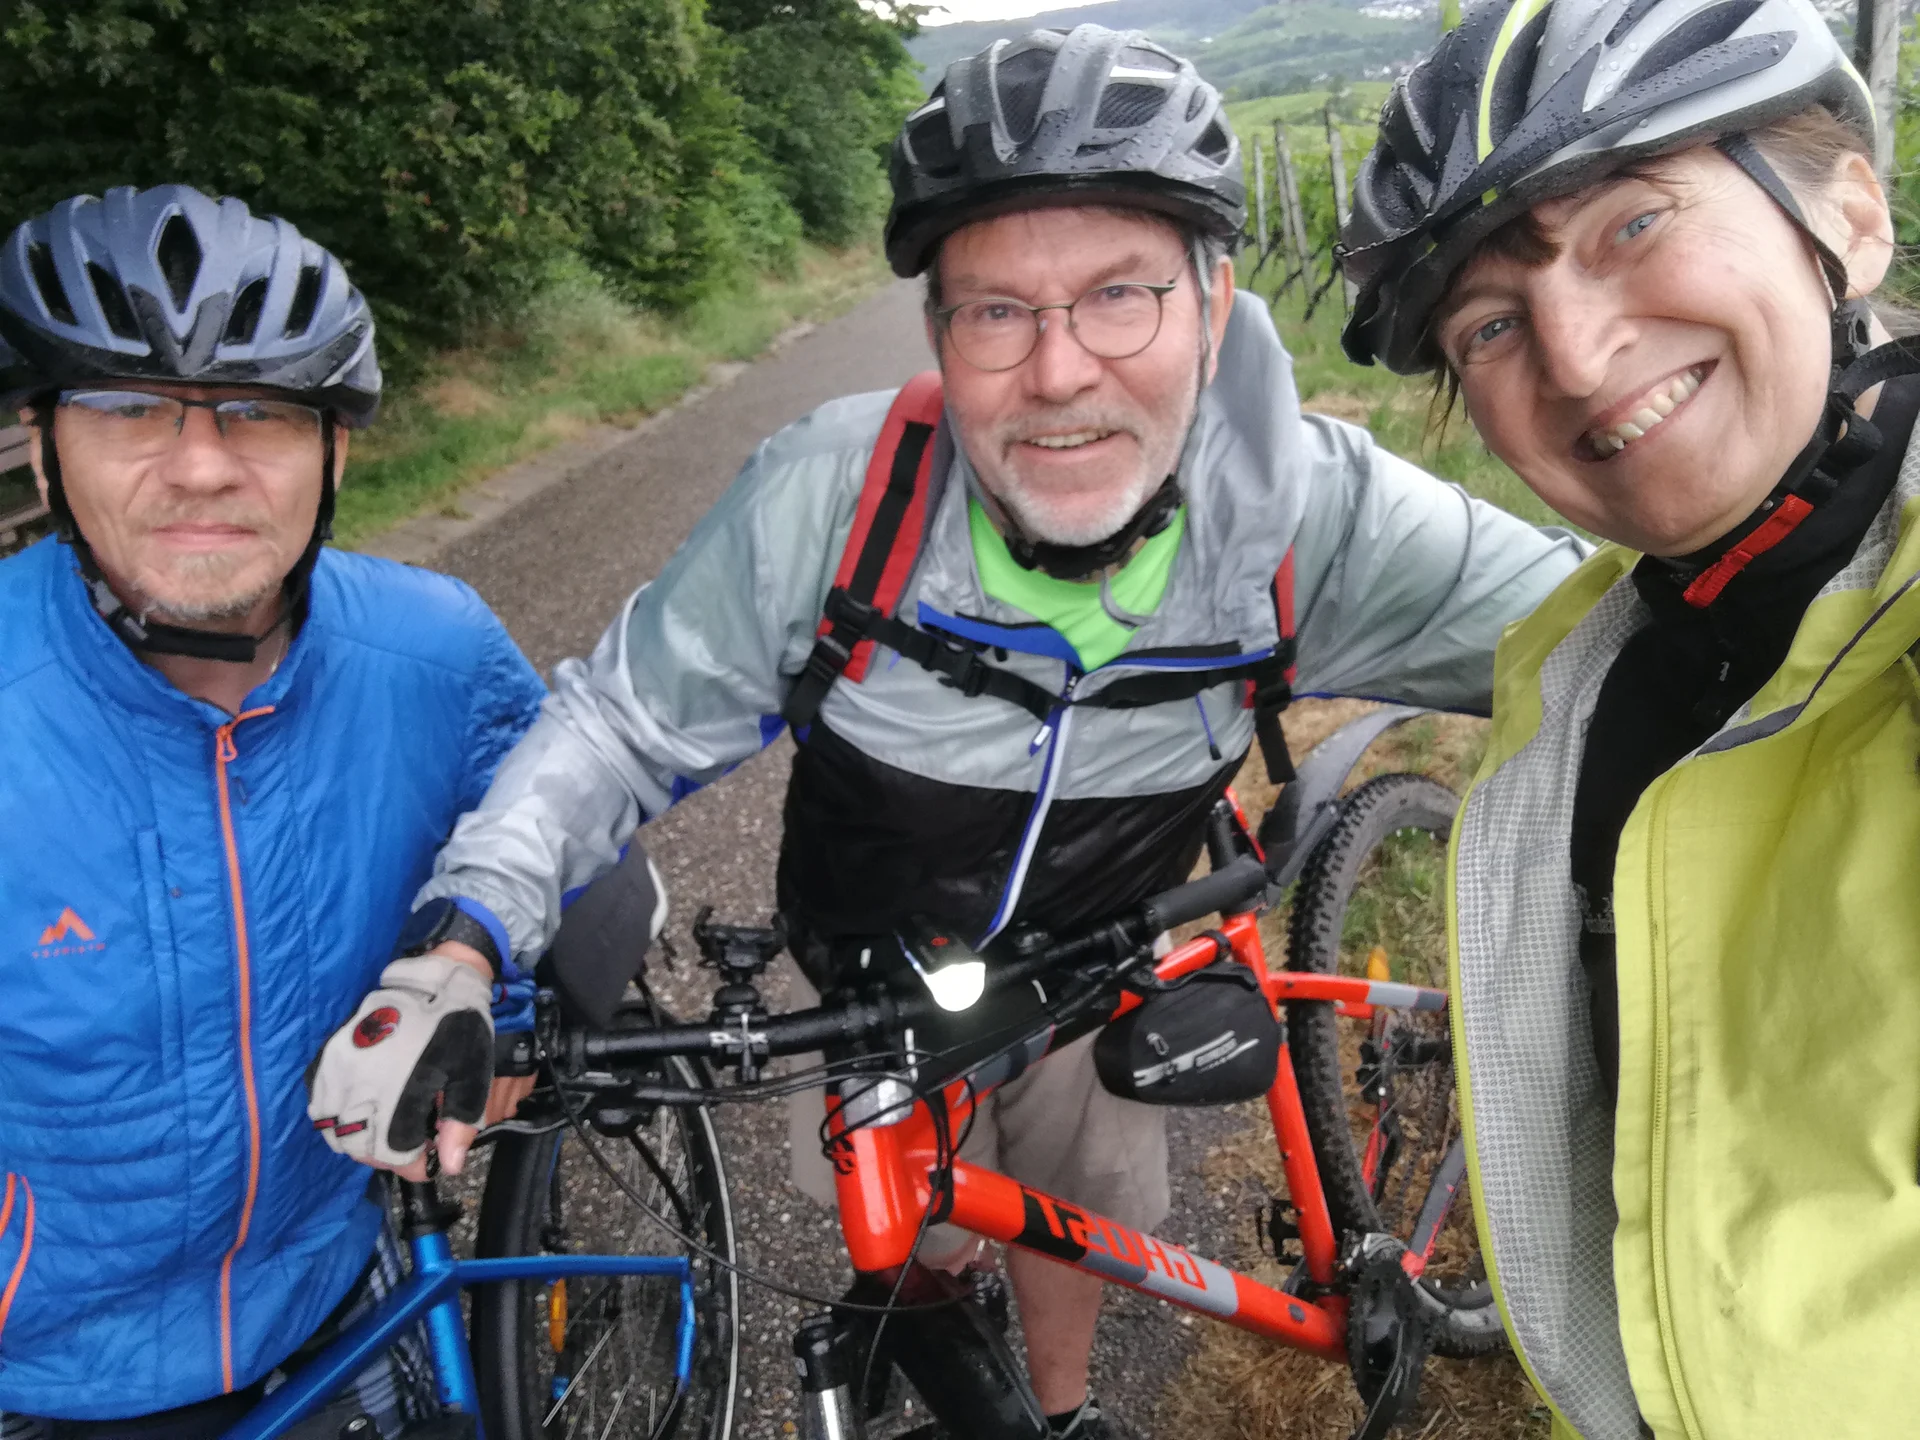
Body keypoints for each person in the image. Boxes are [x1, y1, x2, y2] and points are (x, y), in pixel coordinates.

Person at [413, 24, 1586, 1438]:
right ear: (940, 337)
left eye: (1120, 297)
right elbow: (616, 724)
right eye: (996, 314)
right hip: (871, 958)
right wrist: (468, 934)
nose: (1059, 373)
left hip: (1108, 950)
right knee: (898, 1221)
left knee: (1074, 1201)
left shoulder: (1317, 512)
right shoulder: (832, 500)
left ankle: (1063, 1401)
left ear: (1215, 307)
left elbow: (1619, 632)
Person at [1340, 0, 1920, 1434]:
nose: (1581, 360)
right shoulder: (1595, 672)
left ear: (1850, 214)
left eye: (1631, 226)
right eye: (1491, 319)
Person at [0, 186, 546, 1437]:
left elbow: (543, 831)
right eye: (128, 408)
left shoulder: (439, 650)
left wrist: (497, 1016)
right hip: (42, 1383)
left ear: (336, 453)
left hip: (337, 1314)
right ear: (43, 449)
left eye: (258, 414)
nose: (200, 464)